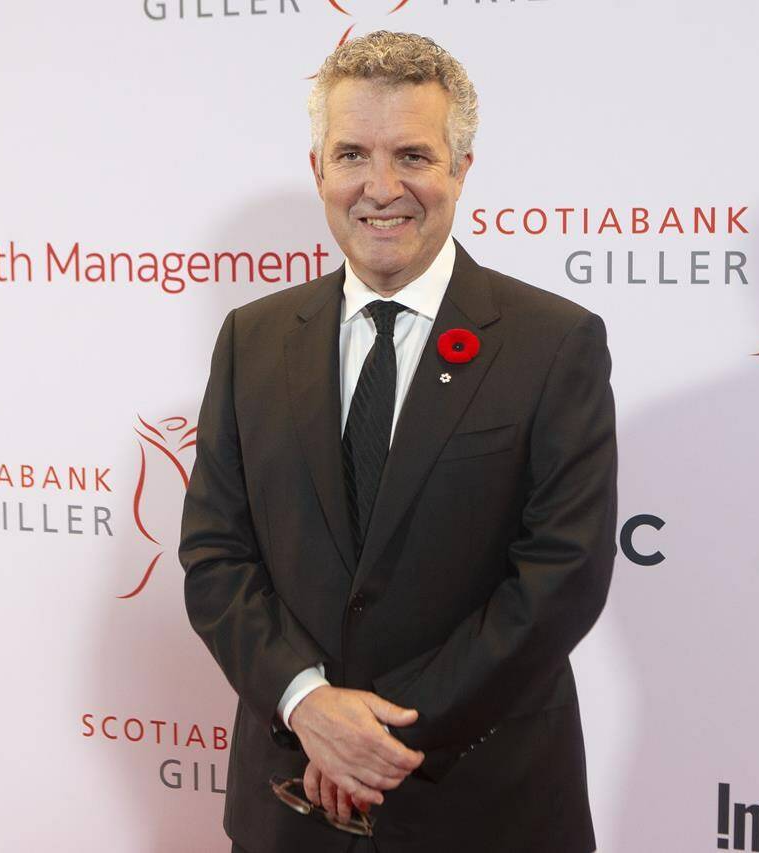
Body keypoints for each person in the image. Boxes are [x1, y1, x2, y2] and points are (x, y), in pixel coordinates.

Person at [180, 30, 617, 853]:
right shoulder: (252, 338)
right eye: (352, 154)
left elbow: (563, 572)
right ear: (318, 171)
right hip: (288, 807)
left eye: (413, 155)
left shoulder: (553, 343)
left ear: (460, 168)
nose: (381, 188)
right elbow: (215, 556)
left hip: (484, 808)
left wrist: (374, 740)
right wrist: (309, 703)